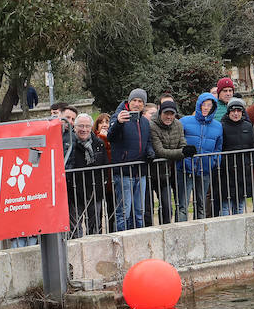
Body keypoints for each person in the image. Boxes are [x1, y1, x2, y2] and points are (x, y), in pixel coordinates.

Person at [108, 88, 153, 231]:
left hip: (140, 172)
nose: (137, 103)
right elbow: (111, 137)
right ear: (129, 101)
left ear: (144, 105)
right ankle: (121, 241)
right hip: (123, 173)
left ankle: (139, 239)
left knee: (140, 212)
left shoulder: (145, 122)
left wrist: (150, 152)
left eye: (140, 101)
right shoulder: (118, 116)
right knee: (123, 213)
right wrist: (119, 123)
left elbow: (148, 142)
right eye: (134, 100)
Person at [178, 93, 222, 221]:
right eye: (204, 104)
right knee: (183, 204)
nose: (206, 108)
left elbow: (218, 148)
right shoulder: (185, 121)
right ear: (199, 105)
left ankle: (201, 231)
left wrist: (213, 162)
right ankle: (181, 232)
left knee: (201, 204)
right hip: (185, 169)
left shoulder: (218, 126)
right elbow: (177, 142)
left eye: (209, 105)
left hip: (205, 170)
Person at [67, 114, 107, 236]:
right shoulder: (69, 144)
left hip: (95, 192)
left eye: (87, 126)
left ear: (91, 127)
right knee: (75, 229)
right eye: (81, 126)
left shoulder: (99, 143)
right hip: (74, 192)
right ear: (74, 127)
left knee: (94, 227)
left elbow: (104, 166)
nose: (84, 129)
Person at [147, 100, 186, 225]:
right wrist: (182, 153)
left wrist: (183, 151)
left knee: (168, 207)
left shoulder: (178, 125)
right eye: (166, 113)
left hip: (170, 172)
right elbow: (160, 151)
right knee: (149, 207)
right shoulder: (152, 126)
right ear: (160, 113)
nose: (169, 117)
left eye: (172, 114)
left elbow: (183, 144)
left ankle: (167, 229)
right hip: (153, 172)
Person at [217, 98, 253, 215]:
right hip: (226, 170)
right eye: (233, 111)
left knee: (240, 204)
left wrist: (250, 162)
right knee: (226, 205)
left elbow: (253, 146)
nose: (236, 113)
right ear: (228, 112)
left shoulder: (248, 126)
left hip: (243, 169)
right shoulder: (221, 126)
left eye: (239, 110)